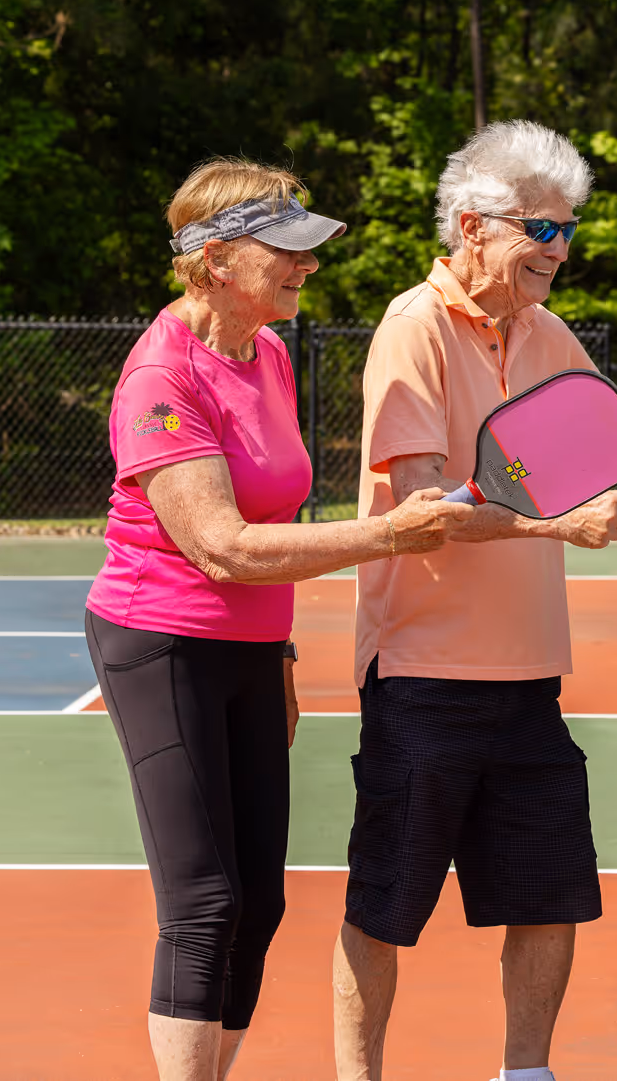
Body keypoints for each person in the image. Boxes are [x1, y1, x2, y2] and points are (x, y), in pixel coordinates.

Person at [84, 158, 472, 1081]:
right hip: (162, 642)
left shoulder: (268, 352)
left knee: (260, 903)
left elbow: (274, 520)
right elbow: (219, 545)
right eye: (286, 249)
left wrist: (283, 654)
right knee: (205, 903)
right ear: (216, 259)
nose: (308, 265)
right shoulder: (159, 378)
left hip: (252, 649)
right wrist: (388, 535)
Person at [330, 121, 617, 1081]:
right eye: (541, 230)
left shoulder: (548, 335)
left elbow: (607, 458)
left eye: (567, 230)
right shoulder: (412, 329)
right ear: (474, 227)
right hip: (423, 675)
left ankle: (525, 1073)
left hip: (529, 680)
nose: (561, 249)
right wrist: (561, 525)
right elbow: (427, 512)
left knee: (550, 897)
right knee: (383, 906)